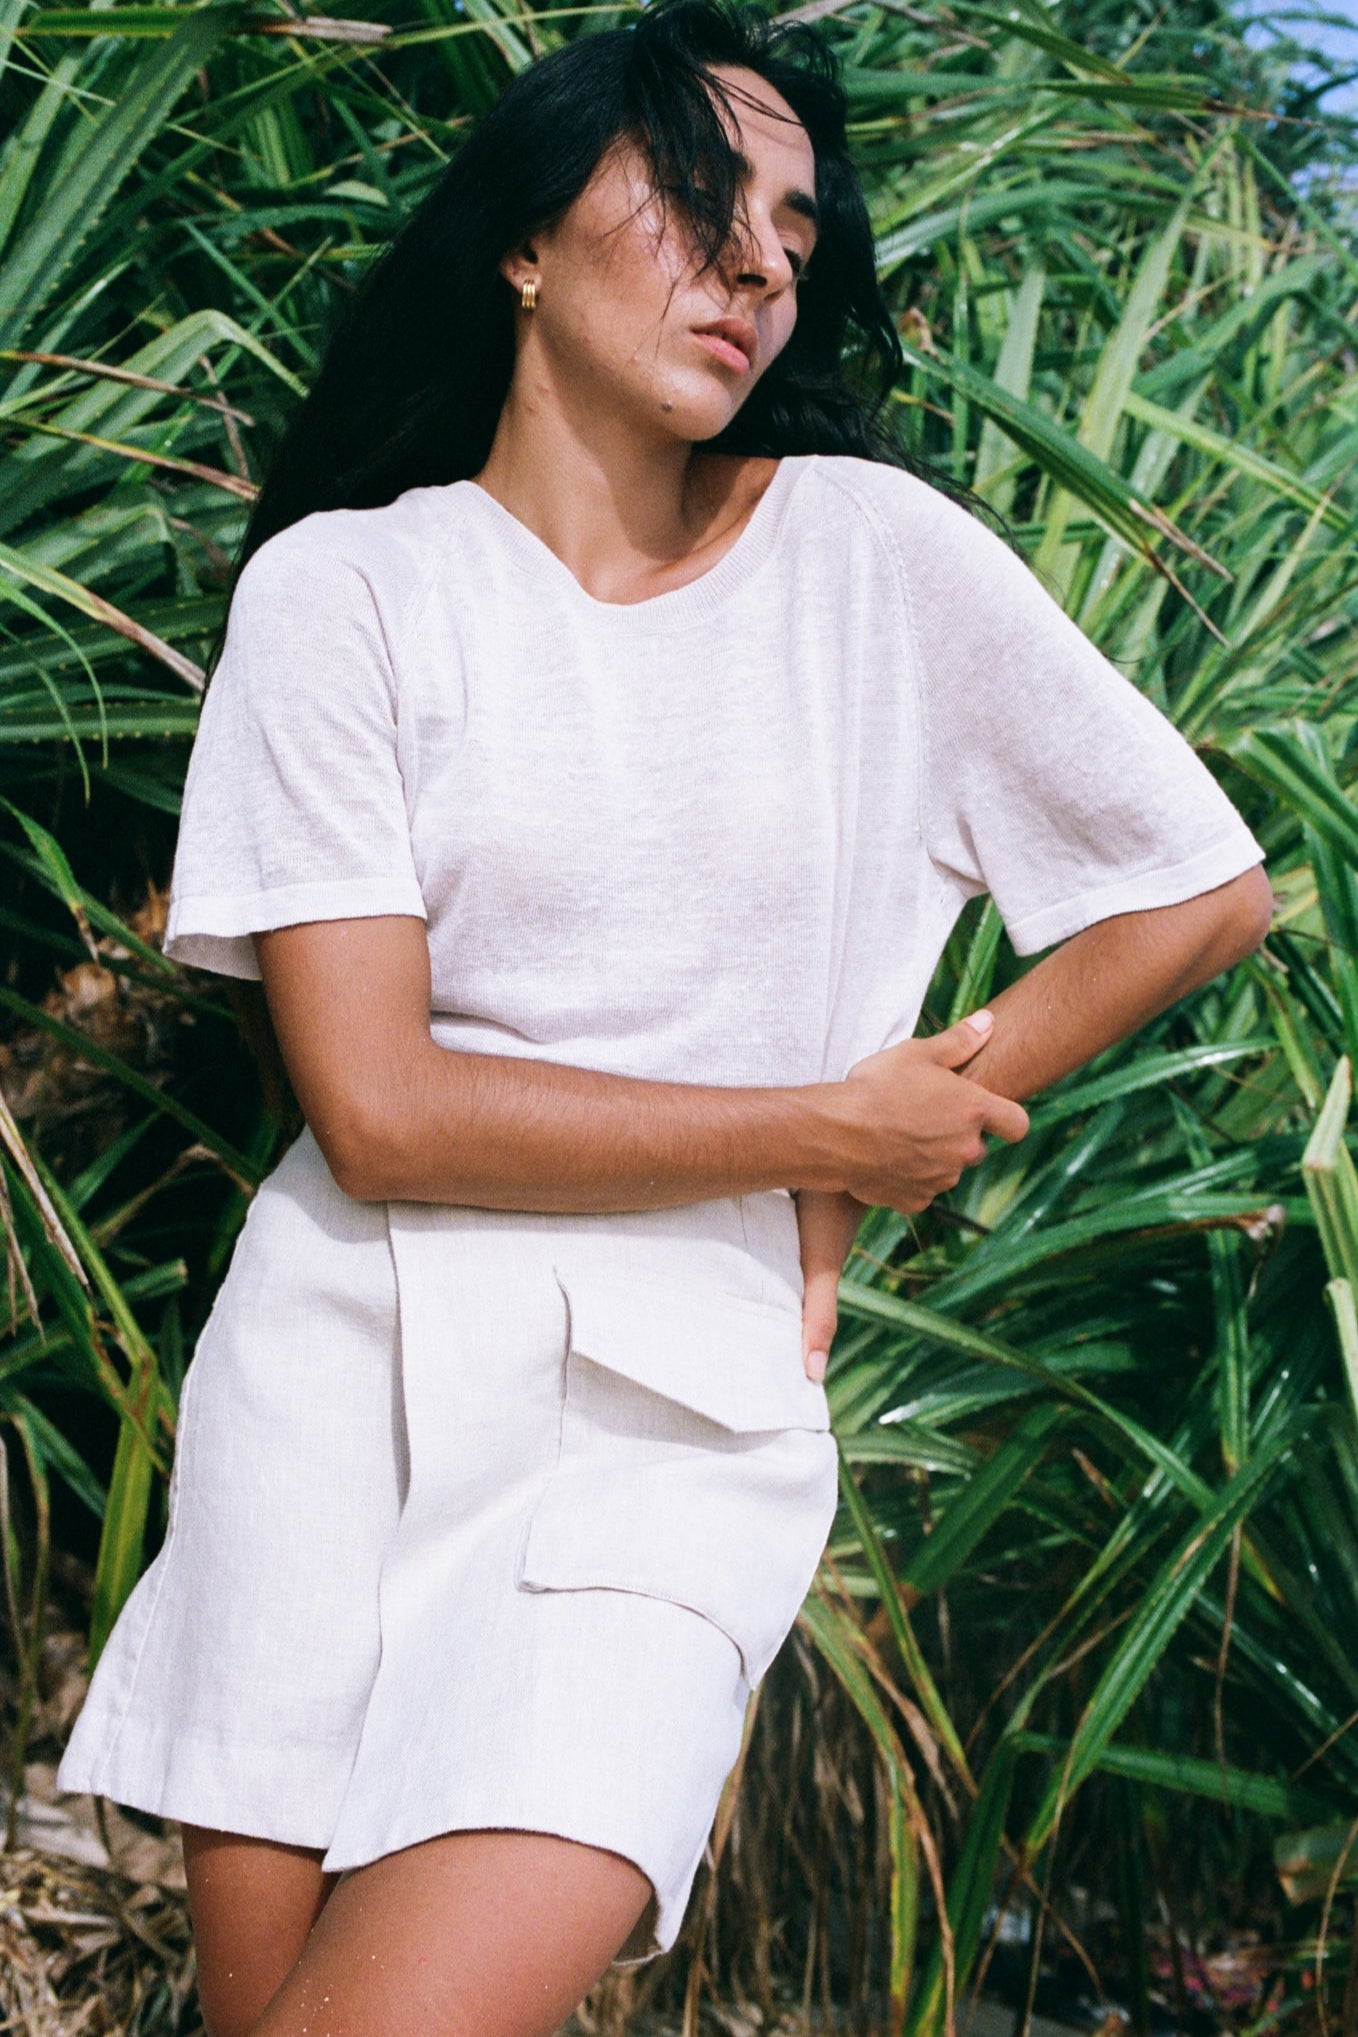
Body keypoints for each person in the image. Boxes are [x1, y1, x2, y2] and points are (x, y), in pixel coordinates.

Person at [55, 0, 1272, 2030]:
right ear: (525, 238)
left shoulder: (870, 563)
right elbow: (374, 1105)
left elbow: (1191, 887)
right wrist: (816, 1133)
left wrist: (852, 1178)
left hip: (664, 1425)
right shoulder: (346, 593)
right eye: (708, 197)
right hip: (327, 1383)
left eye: (801, 229)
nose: (764, 260)